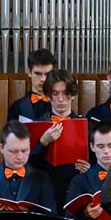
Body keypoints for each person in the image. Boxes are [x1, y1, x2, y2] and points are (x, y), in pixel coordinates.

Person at [28, 69, 90, 201]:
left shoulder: (86, 126)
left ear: (73, 95)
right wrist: (43, 142)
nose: (61, 99)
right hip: (45, 192)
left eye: (66, 93)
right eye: (55, 94)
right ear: (48, 95)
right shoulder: (37, 124)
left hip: (75, 191)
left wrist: (88, 170)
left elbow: (96, 163)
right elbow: (29, 165)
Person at [0, 121, 57, 213]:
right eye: (14, 151)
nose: (20, 157)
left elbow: (52, 215)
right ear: (1, 148)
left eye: (24, 150)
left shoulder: (42, 179)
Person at [7, 48, 56, 122]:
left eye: (47, 74)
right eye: (38, 73)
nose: (43, 79)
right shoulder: (16, 107)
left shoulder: (61, 105)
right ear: (29, 72)